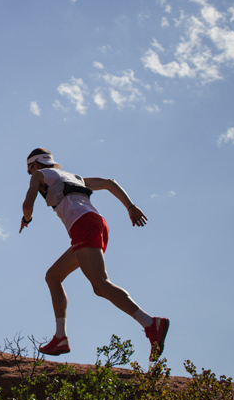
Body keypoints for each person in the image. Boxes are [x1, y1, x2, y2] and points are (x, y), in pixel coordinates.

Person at [19, 148, 169, 361]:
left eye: (29, 169)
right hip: (96, 223)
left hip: (83, 225)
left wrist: (26, 220)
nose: (29, 174)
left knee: (100, 284)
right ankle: (60, 337)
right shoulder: (75, 177)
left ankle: (151, 324)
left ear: (35, 165)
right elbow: (109, 183)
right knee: (53, 276)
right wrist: (131, 207)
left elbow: (27, 205)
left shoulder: (39, 175)